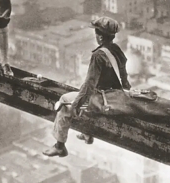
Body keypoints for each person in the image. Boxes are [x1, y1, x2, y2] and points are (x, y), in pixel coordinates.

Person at [43, 17, 132, 157]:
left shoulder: (98, 55)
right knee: (85, 100)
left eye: (96, 34)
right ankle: (87, 134)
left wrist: (75, 105)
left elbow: (89, 84)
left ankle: (60, 146)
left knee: (67, 101)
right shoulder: (116, 49)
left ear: (100, 37)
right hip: (116, 96)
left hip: (103, 99)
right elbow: (123, 75)